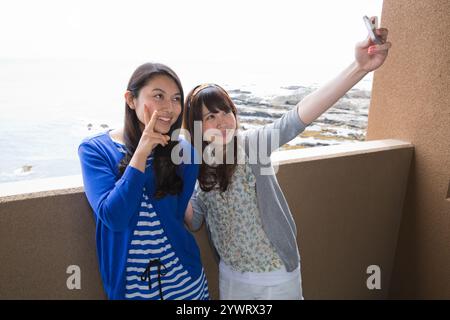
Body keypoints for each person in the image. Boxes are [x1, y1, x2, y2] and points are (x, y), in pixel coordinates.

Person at [183, 19, 391, 300]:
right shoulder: (199, 170)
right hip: (232, 278)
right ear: (196, 126)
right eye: (210, 116)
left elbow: (296, 118)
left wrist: (359, 68)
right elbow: (194, 219)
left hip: (276, 274)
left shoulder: (252, 146)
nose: (222, 121)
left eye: (225, 111)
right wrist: (176, 173)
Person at [78, 63, 209, 300]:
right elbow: (114, 217)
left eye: (176, 98)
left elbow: (176, 216)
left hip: (186, 282)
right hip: (131, 289)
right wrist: (142, 151)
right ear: (130, 99)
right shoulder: (95, 150)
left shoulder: (186, 153)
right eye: (158, 96)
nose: (170, 108)